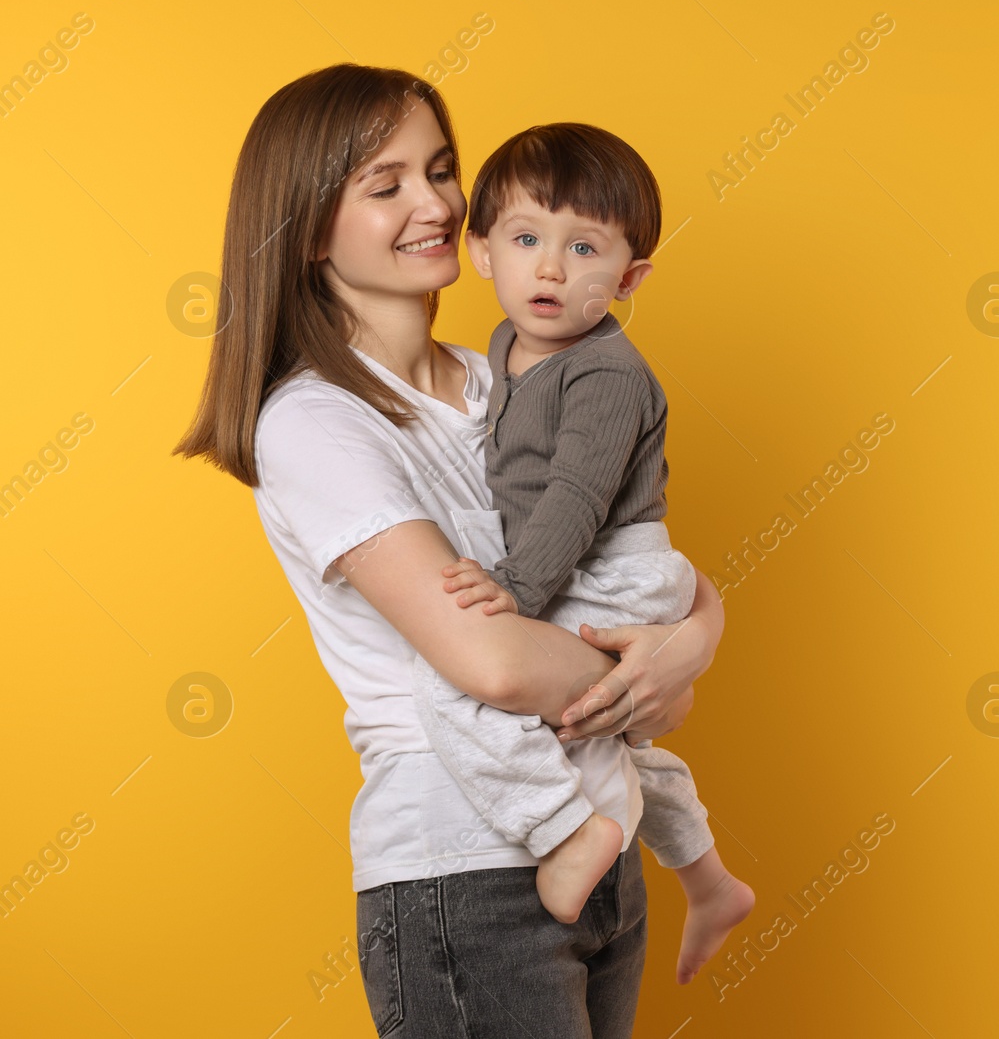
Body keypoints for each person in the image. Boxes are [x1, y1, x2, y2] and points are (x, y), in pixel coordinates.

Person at [172, 63, 724, 1038]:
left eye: (440, 169)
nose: (433, 203)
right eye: (384, 186)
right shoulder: (313, 423)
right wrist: (653, 665)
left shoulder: (512, 374)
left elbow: (652, 563)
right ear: (307, 228)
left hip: (607, 845)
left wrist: (686, 643)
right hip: (464, 874)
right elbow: (494, 662)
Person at [409, 120, 753, 986]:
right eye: (527, 240)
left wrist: (515, 589)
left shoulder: (605, 375)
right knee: (619, 747)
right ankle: (710, 880)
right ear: (481, 250)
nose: (552, 270)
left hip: (611, 567)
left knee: (457, 682)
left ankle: (568, 832)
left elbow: (575, 498)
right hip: (582, 564)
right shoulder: (504, 347)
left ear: (630, 278)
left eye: (585, 248)